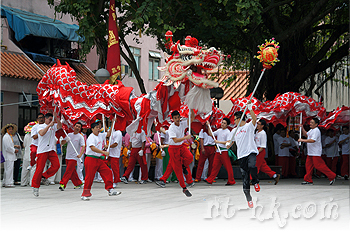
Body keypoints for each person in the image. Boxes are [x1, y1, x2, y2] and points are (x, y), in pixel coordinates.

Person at [227, 102, 259, 209]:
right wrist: (227, 145)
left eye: (235, 119)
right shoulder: (234, 131)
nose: (234, 121)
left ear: (240, 118)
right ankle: (249, 198)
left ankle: (255, 181)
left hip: (251, 152)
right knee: (245, 179)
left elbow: (254, 119)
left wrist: (250, 108)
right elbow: (230, 142)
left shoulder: (249, 126)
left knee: (252, 166)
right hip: (241, 156)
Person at [156, 110, 195, 197]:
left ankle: (182, 167)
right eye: (175, 118)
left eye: (178, 117)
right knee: (177, 169)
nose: (177, 119)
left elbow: (192, 119)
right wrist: (186, 137)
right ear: (172, 119)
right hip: (173, 149)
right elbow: (175, 140)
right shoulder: (171, 128)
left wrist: (191, 109)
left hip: (181, 146)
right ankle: (184, 188)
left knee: (189, 157)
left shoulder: (182, 123)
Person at [81, 121, 121, 200]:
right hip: (91, 159)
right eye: (96, 128)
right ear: (92, 129)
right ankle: (85, 194)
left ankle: (110, 189)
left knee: (108, 172)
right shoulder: (91, 137)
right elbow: (92, 148)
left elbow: (109, 134)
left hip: (98, 159)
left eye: (99, 127)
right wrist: (103, 152)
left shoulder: (100, 135)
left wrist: (113, 123)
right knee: (89, 177)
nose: (98, 129)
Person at [31, 112, 62, 197]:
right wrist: (49, 125)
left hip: (51, 149)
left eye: (52, 120)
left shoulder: (53, 126)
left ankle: (44, 176)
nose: (51, 121)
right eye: (50, 119)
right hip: (42, 150)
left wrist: (57, 118)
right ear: (46, 119)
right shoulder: (40, 126)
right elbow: (41, 133)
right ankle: (35, 186)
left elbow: (60, 126)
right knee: (39, 168)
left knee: (56, 165)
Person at [298, 118, 336, 185]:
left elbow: (313, 140)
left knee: (319, 166)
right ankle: (308, 180)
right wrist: (302, 128)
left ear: (316, 124)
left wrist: (302, 140)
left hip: (315, 152)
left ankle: (332, 176)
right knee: (308, 166)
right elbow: (306, 135)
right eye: (310, 122)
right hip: (310, 152)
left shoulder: (316, 130)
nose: (310, 124)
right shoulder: (312, 130)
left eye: (312, 122)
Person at [205, 118, 236, 186]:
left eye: (224, 123)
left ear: (227, 125)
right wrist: (208, 126)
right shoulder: (219, 130)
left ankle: (231, 180)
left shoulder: (228, 132)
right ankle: (210, 179)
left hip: (224, 151)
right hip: (218, 151)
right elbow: (211, 134)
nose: (222, 124)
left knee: (228, 167)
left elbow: (228, 142)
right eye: (222, 122)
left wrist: (218, 142)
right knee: (215, 166)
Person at [59, 122, 85, 190]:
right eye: (76, 126)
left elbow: (83, 146)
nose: (77, 128)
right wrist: (66, 140)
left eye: (79, 127)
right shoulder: (69, 135)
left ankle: (63, 184)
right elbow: (62, 143)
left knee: (68, 171)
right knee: (72, 171)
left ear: (80, 129)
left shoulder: (80, 136)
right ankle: (78, 183)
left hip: (74, 157)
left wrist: (80, 154)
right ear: (74, 126)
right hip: (68, 156)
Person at [254, 119, 280, 184]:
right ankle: (274, 175)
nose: (257, 125)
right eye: (257, 124)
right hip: (257, 149)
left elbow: (263, 146)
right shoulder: (257, 132)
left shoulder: (263, 133)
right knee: (263, 166)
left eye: (259, 124)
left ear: (262, 126)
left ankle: (253, 179)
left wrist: (257, 152)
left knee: (256, 165)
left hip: (260, 150)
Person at [21, 122, 36, 187]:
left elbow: (24, 145)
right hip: (34, 155)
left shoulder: (26, 136)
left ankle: (23, 182)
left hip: (26, 155)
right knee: (33, 169)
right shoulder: (36, 136)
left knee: (25, 169)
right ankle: (31, 182)